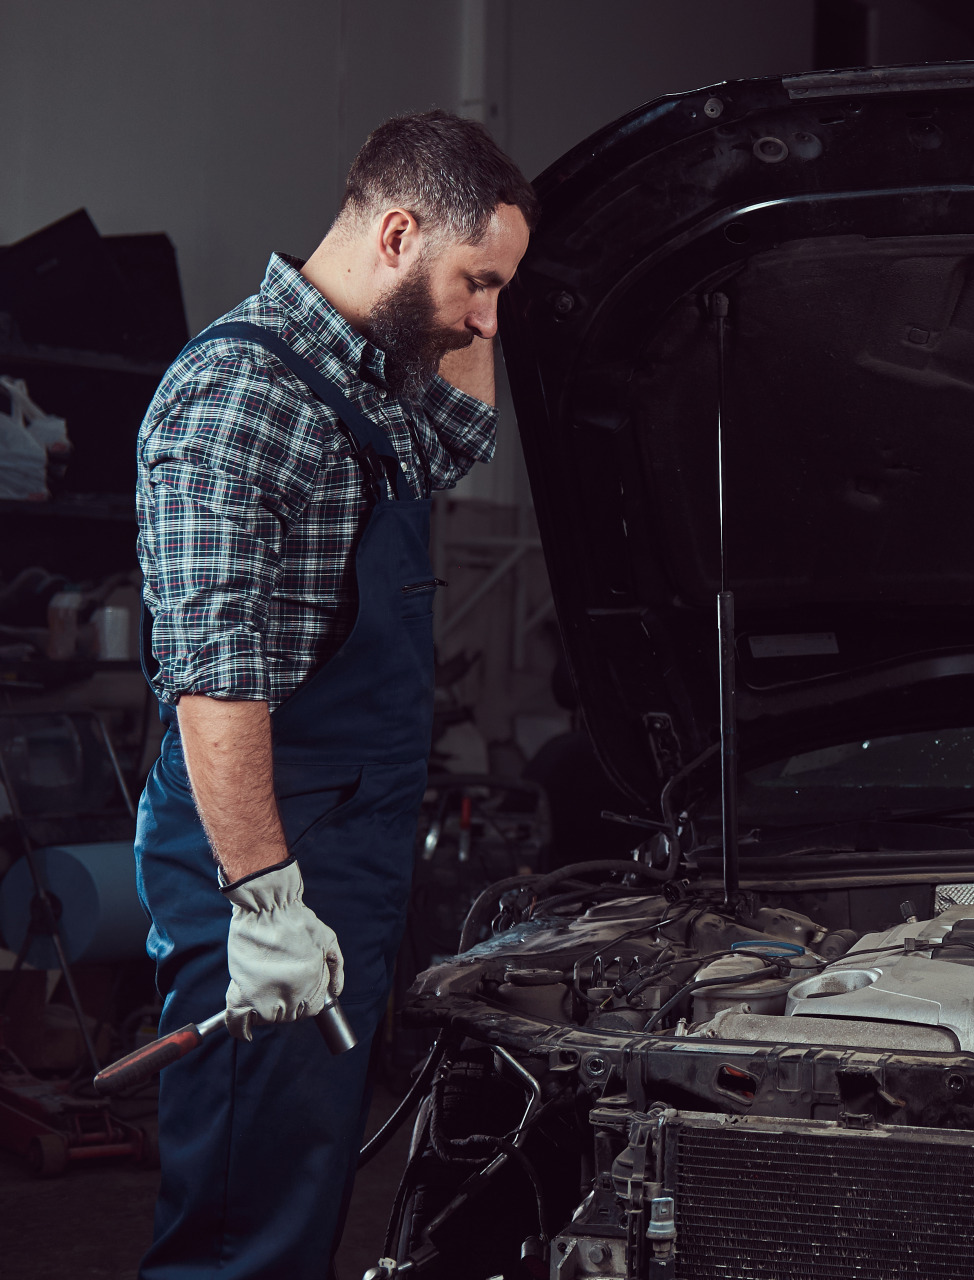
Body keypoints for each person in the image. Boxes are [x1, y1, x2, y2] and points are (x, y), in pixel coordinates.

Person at [132, 110, 534, 1279]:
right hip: (263, 839)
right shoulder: (239, 398)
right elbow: (213, 679)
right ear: (397, 232)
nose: (488, 319)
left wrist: (465, 287)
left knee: (301, 1181)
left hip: (344, 828)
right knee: (240, 1213)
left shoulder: (367, 376)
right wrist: (262, 900)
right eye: (478, 283)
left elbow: (464, 431)